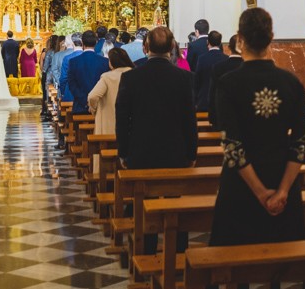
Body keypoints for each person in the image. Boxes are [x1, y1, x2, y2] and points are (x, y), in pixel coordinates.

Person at [210, 8, 305, 247]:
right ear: (271, 38)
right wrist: (282, 192)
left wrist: (259, 192)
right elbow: (302, 142)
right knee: (285, 255)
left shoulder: (228, 84)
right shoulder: (291, 82)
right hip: (281, 178)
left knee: (233, 258)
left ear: (240, 39)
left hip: (241, 185)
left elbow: (232, 146)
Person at [117, 26, 198, 252]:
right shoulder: (184, 78)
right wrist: (192, 152)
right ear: (172, 46)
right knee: (175, 203)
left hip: (141, 151)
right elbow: (189, 120)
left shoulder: (131, 77)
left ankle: (147, 251)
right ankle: (178, 251)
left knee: (144, 204)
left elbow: (122, 118)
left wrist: (123, 151)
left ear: (146, 47)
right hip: (175, 151)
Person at [86, 48, 134, 135]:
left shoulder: (107, 77)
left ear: (112, 62)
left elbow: (92, 96)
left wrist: (93, 109)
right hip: (131, 124)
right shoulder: (135, 74)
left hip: (109, 125)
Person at [63, 30, 110, 114]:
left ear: (82, 42)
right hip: (99, 106)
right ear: (96, 42)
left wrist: (85, 101)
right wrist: (93, 101)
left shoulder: (74, 61)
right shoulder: (105, 62)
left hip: (80, 106)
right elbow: (106, 84)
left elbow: (72, 84)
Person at [207, 33, 245, 129]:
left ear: (228, 47)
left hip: (221, 118)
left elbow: (212, 94)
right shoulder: (248, 67)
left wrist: (212, 118)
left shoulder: (217, 67)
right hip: (244, 120)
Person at [191, 31, 228, 113]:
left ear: (207, 42)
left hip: (204, 100)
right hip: (221, 101)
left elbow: (197, 80)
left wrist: (195, 98)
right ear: (220, 42)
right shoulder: (226, 58)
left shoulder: (202, 59)